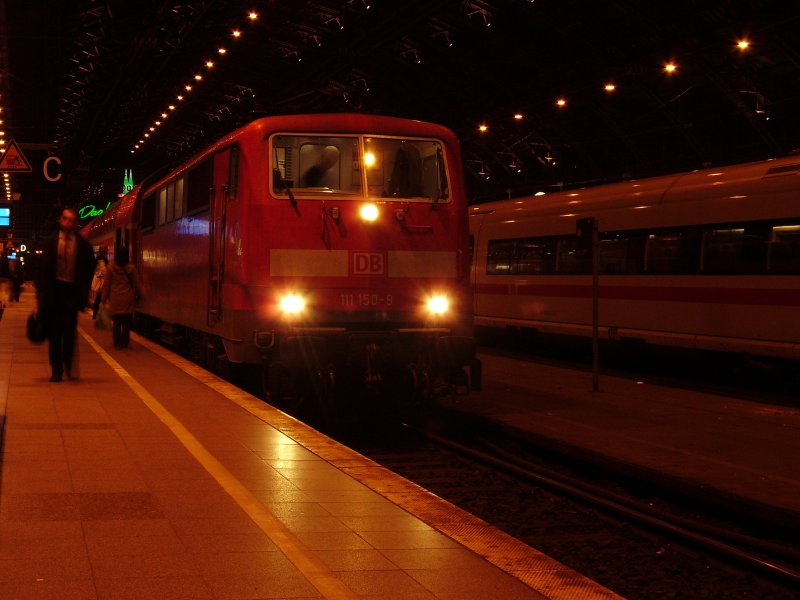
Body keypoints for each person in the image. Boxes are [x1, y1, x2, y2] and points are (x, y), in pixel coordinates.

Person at [36, 206, 96, 382]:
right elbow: (42, 269)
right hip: (54, 292)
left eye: (71, 220)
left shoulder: (82, 245)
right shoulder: (50, 243)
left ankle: (68, 364)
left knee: (69, 332)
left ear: (75, 223)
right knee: (54, 333)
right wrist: (41, 294)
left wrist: (83, 290)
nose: (67, 223)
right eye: (65, 219)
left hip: (71, 292)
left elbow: (89, 266)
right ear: (60, 220)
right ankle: (56, 370)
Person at [102, 245, 143, 349]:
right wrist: (140, 294)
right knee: (126, 322)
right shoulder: (131, 268)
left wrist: (103, 299)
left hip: (115, 297)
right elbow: (137, 283)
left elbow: (106, 285)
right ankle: (125, 343)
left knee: (117, 321)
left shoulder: (110, 267)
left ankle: (117, 343)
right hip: (127, 297)